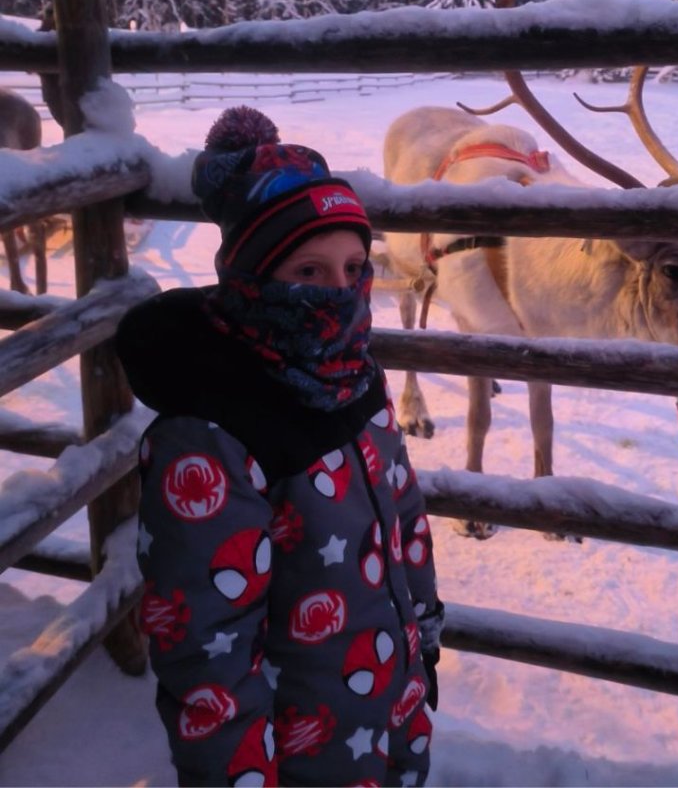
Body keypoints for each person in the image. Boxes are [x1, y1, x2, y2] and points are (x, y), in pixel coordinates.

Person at [116, 105, 442, 787]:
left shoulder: (356, 378)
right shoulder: (211, 435)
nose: (340, 294)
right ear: (254, 279)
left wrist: (422, 634)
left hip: (391, 707)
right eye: (308, 272)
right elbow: (208, 652)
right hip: (298, 753)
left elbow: (405, 513)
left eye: (354, 267)